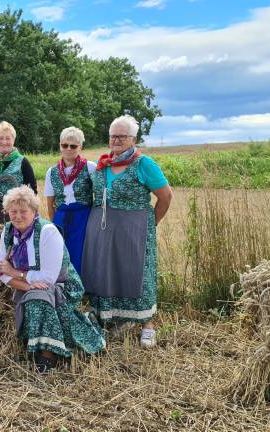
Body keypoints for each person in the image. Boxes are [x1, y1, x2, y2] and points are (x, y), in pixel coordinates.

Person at [80, 115, 173, 349]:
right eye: (113, 136)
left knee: (138, 273)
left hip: (134, 230)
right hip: (103, 230)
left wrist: (150, 224)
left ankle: (147, 325)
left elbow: (165, 196)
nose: (116, 140)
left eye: (122, 136)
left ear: (133, 139)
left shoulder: (144, 164)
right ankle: (113, 319)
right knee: (108, 271)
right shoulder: (102, 164)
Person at [0, 186, 105, 373]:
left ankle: (48, 354)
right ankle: (36, 343)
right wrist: (26, 285)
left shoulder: (47, 231)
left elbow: (48, 278)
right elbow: (2, 273)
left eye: (23, 211)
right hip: (28, 285)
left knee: (38, 299)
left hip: (62, 285)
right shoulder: (7, 232)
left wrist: (17, 273)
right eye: (13, 211)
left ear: (34, 211)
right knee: (34, 295)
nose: (18, 216)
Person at [44, 127, 96, 274]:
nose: (68, 149)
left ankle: (83, 285)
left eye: (73, 146)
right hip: (61, 218)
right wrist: (55, 223)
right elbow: (50, 203)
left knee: (82, 253)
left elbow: (100, 196)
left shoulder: (90, 167)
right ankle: (63, 284)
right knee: (60, 255)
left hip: (84, 217)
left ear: (80, 147)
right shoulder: (52, 172)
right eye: (64, 145)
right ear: (60, 145)